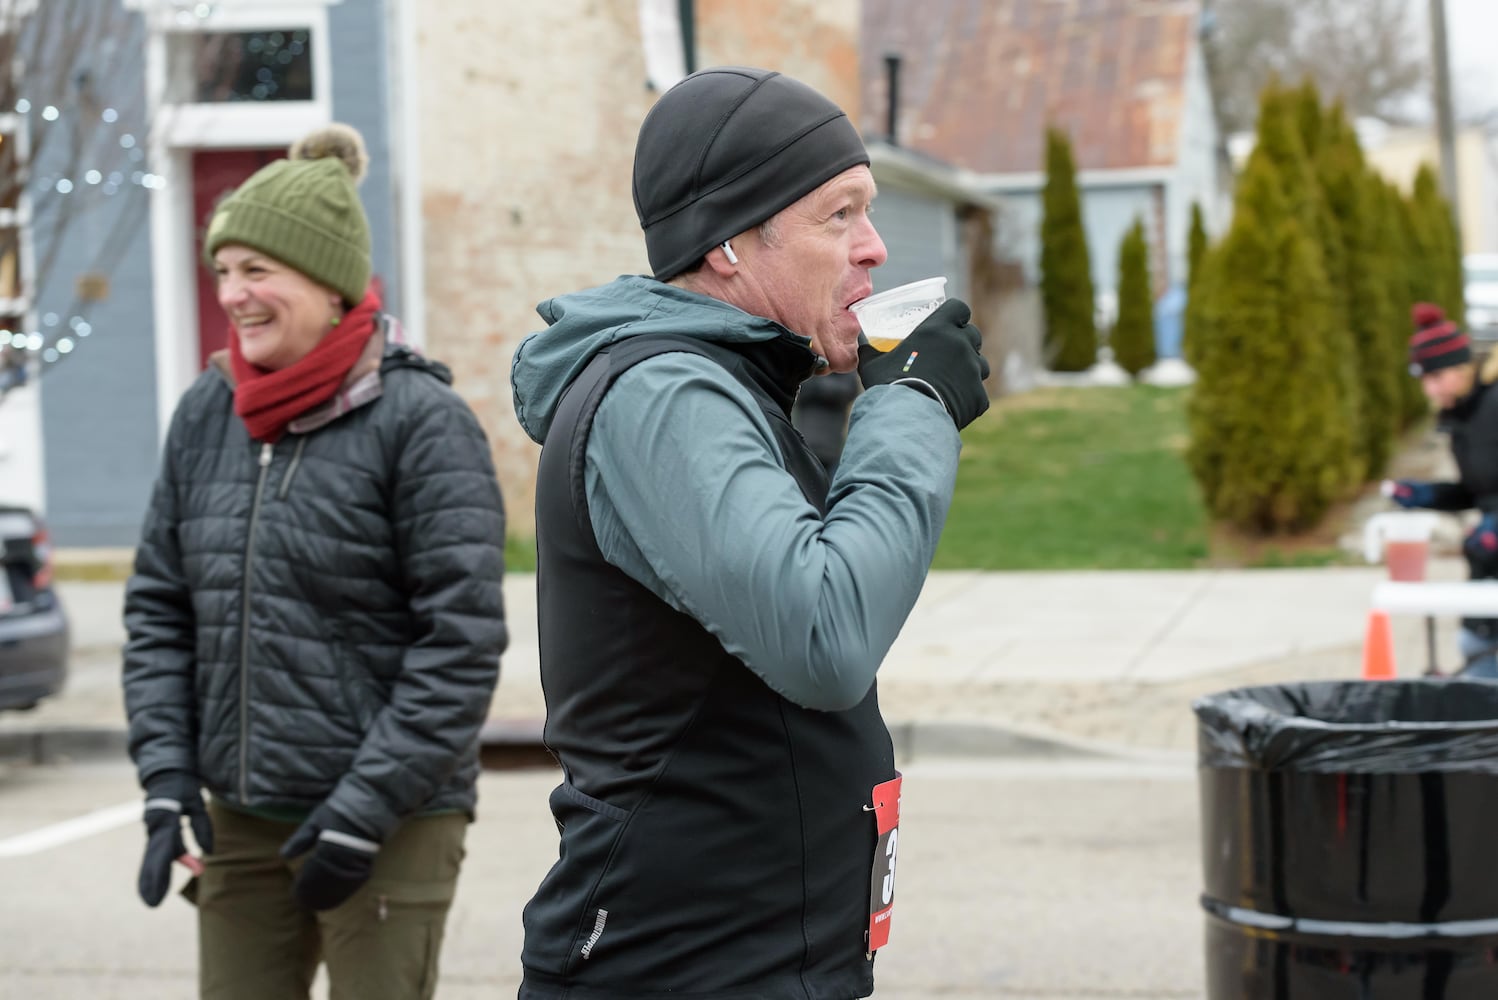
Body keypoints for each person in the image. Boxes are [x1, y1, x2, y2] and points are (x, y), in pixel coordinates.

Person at [509, 66, 989, 999]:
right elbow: (824, 633)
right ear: (728, 243)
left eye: (869, 213)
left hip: (762, 959)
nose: (875, 249)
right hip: (679, 968)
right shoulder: (660, 395)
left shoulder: (737, 386)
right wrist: (912, 404)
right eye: (839, 216)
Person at [122, 123, 507, 999]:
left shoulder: (421, 422)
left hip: (392, 817)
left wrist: (362, 813)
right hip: (244, 819)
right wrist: (165, 775)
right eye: (224, 271)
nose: (234, 295)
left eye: (258, 271)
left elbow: (460, 643)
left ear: (331, 282)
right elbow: (159, 607)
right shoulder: (206, 413)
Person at [1386, 302, 1498, 676]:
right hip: (1485, 587)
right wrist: (1427, 496)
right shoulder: (1463, 417)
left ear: (1460, 368)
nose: (1428, 390)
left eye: (1434, 378)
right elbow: (1478, 490)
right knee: (1472, 657)